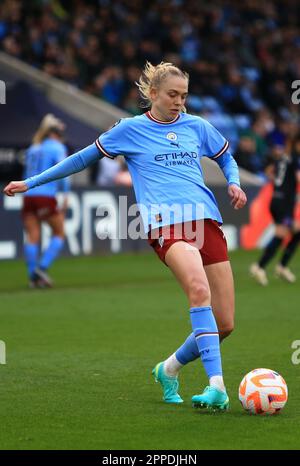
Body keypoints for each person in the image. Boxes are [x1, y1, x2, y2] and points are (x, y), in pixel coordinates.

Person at [4, 62, 247, 410]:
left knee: (224, 323)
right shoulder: (130, 130)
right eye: (172, 95)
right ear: (152, 94)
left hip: (206, 221)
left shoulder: (198, 127)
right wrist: (32, 182)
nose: (179, 102)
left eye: (184, 96)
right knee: (198, 290)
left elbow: (227, 159)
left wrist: (235, 183)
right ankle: (217, 387)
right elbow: (81, 159)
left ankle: (168, 369)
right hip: (167, 224)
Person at [21, 114, 70, 288]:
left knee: (33, 236)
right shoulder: (57, 148)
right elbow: (64, 172)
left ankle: (32, 277)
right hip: (45, 196)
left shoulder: (33, 148)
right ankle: (41, 268)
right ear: (55, 133)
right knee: (59, 232)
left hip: (28, 196)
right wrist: (65, 195)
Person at [250, 137, 300, 286]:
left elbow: (268, 171)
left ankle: (281, 266)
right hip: (284, 203)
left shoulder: (283, 158)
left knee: (296, 231)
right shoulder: (295, 159)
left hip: (278, 200)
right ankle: (260, 266)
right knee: (282, 233)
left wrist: (279, 184)